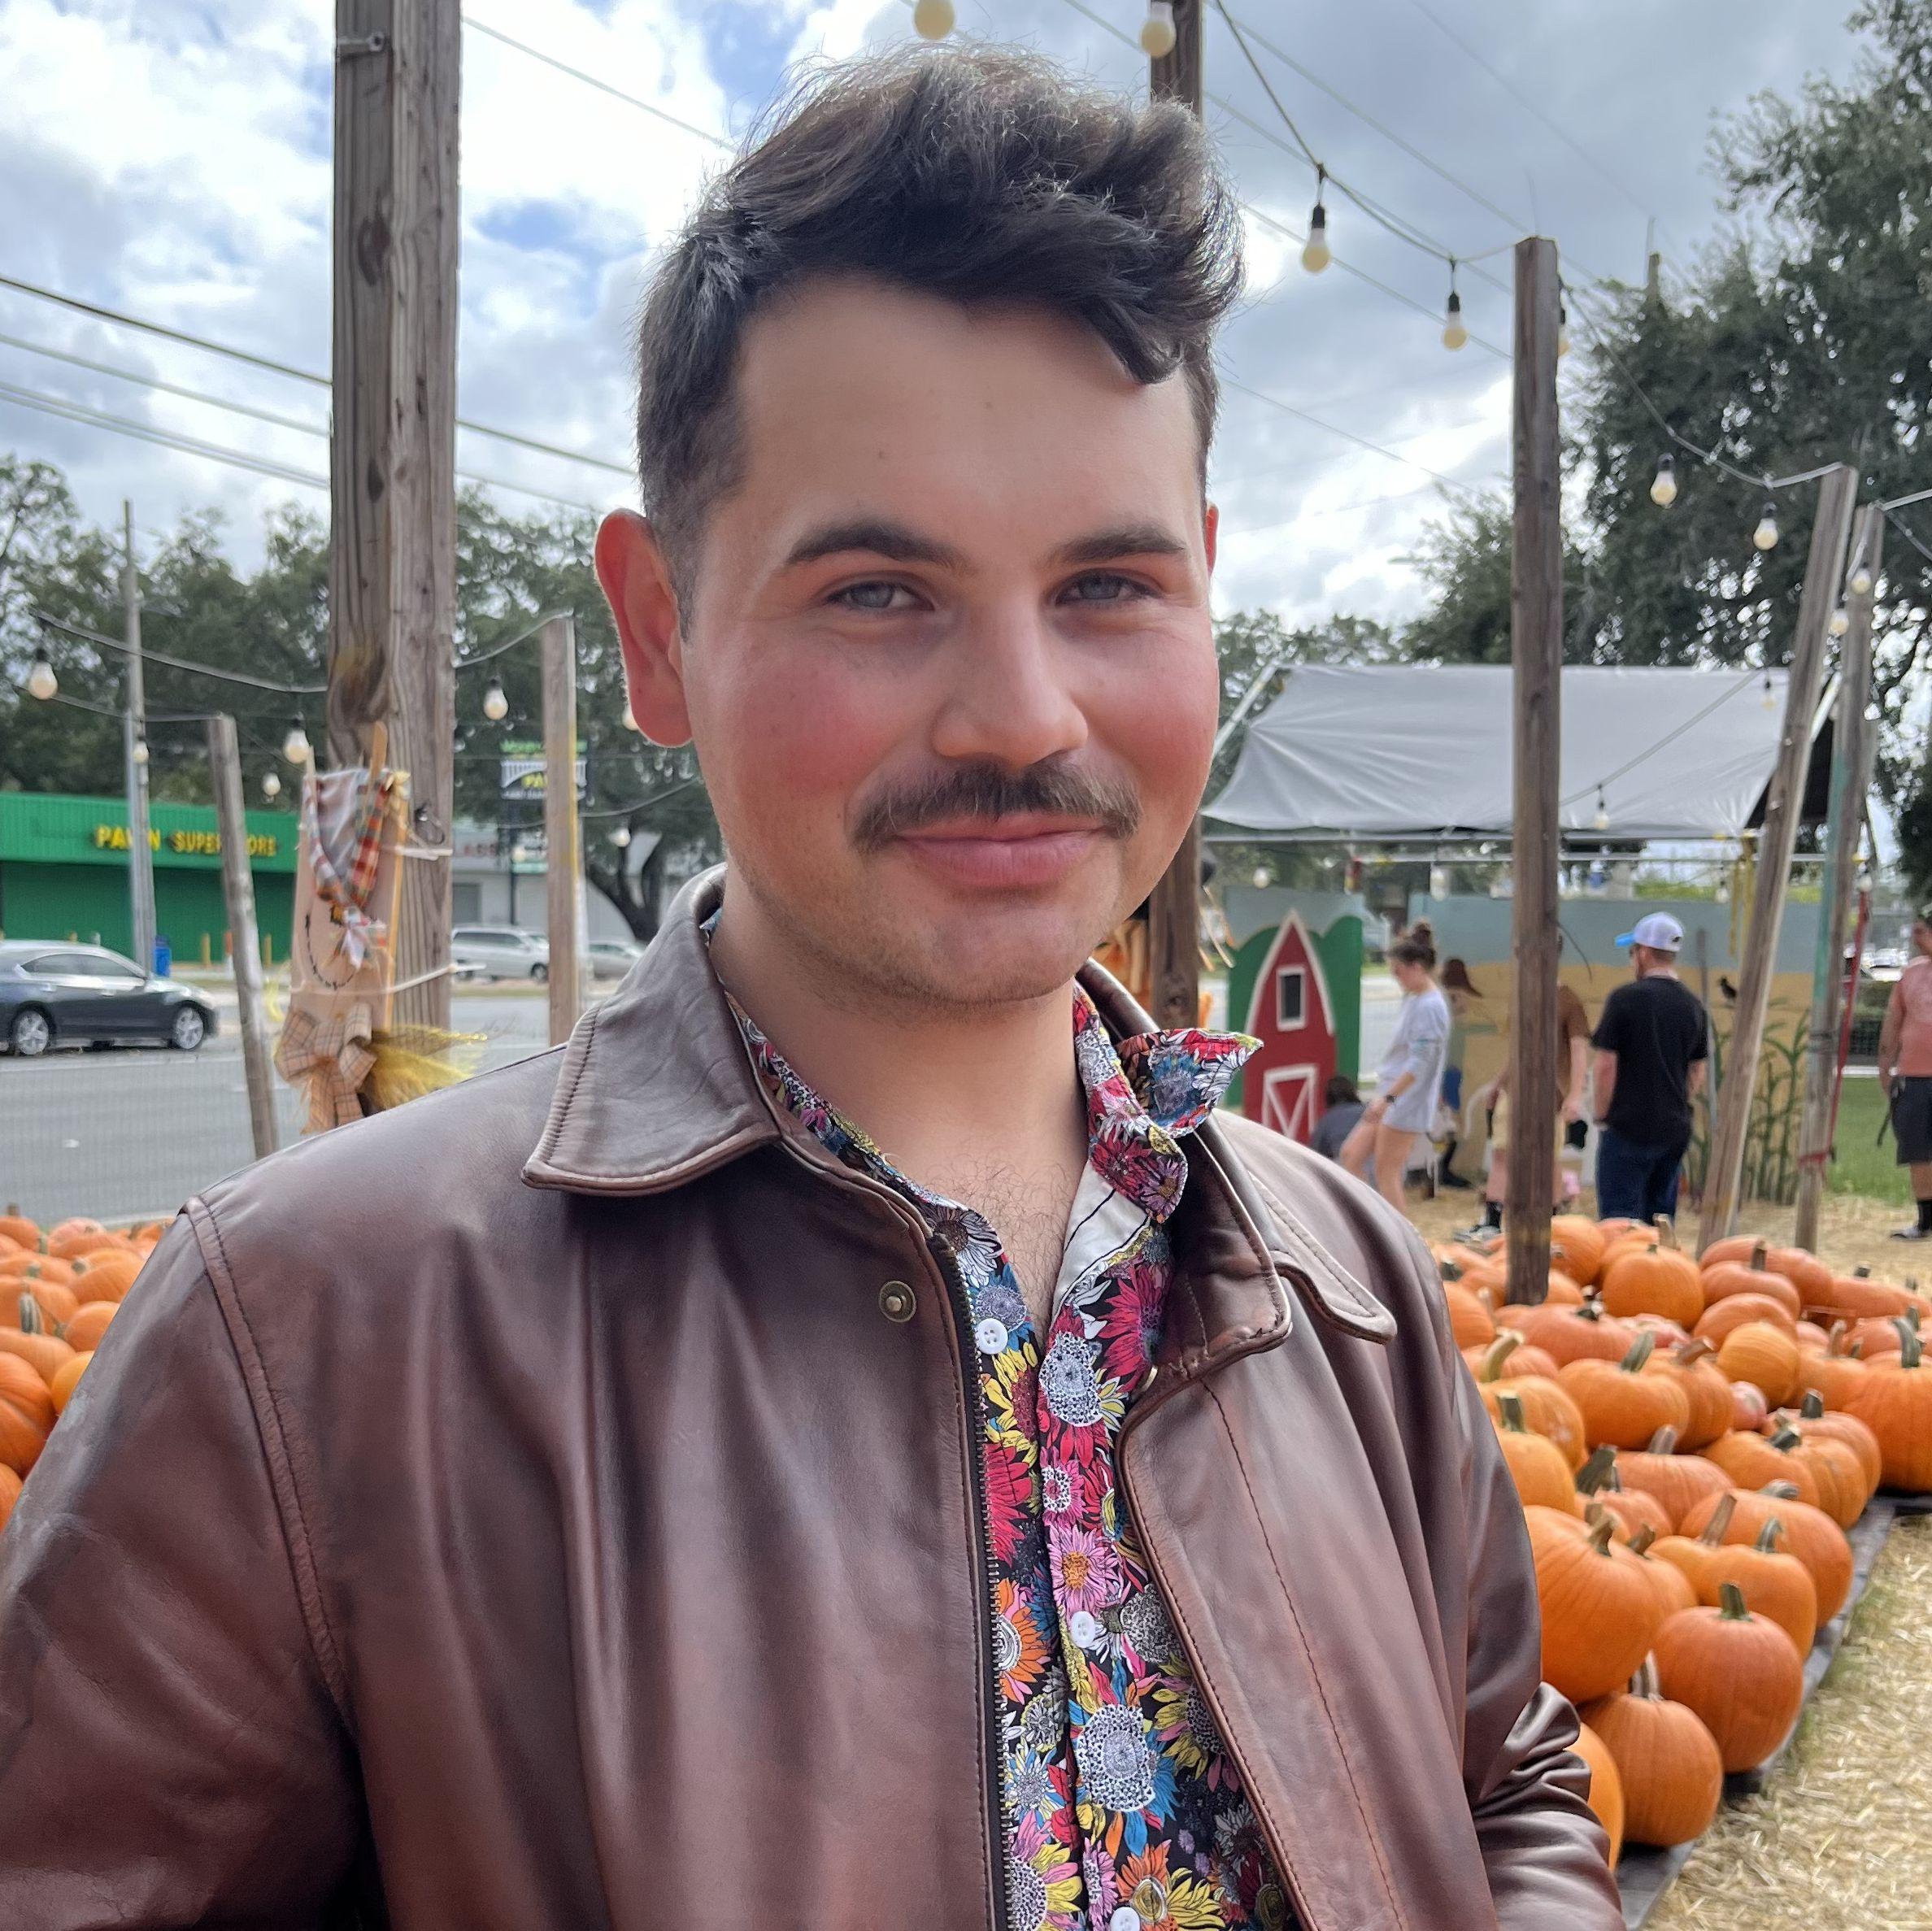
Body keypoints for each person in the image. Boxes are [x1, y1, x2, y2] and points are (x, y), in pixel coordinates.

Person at [0, 48, 1619, 1931]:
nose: (1020, 714)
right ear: (657, 633)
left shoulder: (1348, 1287)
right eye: (875, 591)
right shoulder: (305, 1346)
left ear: (1203, 580)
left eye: (1107, 584)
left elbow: (1506, 1779)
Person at [1591, 911, 1709, 1223]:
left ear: (1643, 952)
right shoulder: (1694, 1006)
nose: (1633, 960)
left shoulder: (1624, 999)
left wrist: (1602, 1114)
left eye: (1632, 953)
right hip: (1673, 1129)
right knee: (1660, 1219)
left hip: (1627, 1126)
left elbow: (1605, 1065)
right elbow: (1697, 1070)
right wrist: (1674, 1100)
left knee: (1620, 1223)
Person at [1466, 978, 1593, 1237]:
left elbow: (1579, 1050)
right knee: (1502, 1153)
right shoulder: (1526, 996)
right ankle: (1493, 1219)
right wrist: (1498, 1083)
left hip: (1549, 1096)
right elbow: (1518, 1049)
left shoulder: (1568, 1000)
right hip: (1515, 1091)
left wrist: (1575, 1095)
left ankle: (1549, 1221)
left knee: (1547, 1159)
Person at [1342, 920, 1452, 1216]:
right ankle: (1371, 1221)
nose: (1395, 977)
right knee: (1351, 1156)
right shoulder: (1416, 998)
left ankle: (1399, 1237)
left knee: (1387, 1172)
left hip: (1404, 1099)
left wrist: (1389, 1098)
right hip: (1391, 1093)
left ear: (1417, 967)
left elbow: (1420, 1063)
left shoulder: (1430, 1006)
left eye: (1398, 971)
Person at [1879, 907, 1932, 1240]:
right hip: (1913, 1078)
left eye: (1923, 930)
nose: (1917, 935)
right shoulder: (1911, 974)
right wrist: (1885, 1066)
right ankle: (1925, 1222)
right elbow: (1893, 1021)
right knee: (1918, 1151)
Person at [1435, 957, 1481, 1188]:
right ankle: (1442, 1169)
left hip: (1453, 1070)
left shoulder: (1445, 1003)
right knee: (1451, 1123)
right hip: (1448, 1072)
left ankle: (1443, 1168)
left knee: (1454, 1122)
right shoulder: (1444, 1002)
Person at [1309, 1071, 1365, 1161]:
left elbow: (1314, 1154)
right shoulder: (1368, 1111)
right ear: (1353, 1092)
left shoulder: (1326, 1120)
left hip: (1342, 1165)